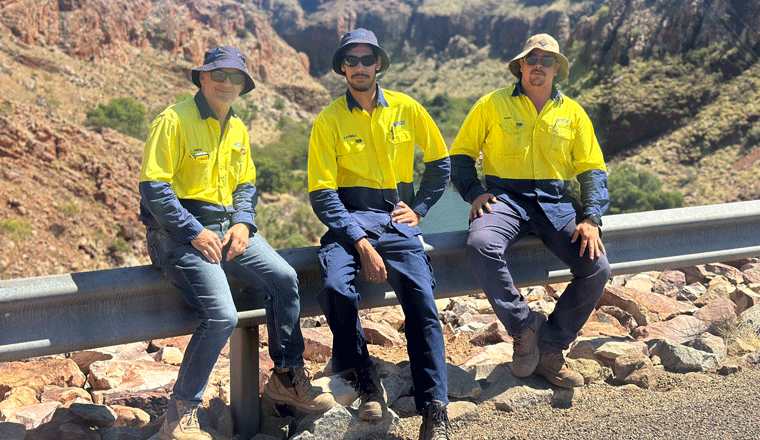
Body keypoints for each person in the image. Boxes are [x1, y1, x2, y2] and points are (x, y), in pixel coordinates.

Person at [139, 46, 334, 440]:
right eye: (220, 75)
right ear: (203, 78)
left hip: (229, 230)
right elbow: (153, 188)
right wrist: (193, 230)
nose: (228, 83)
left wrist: (244, 223)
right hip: (178, 236)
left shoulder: (238, 127)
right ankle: (181, 414)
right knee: (223, 317)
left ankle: (286, 378)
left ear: (243, 85)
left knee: (283, 278)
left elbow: (245, 184)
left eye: (236, 77)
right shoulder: (174, 120)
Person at [307, 29, 452, 440]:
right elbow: (322, 193)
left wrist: (420, 208)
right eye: (350, 61)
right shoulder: (330, 119)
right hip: (349, 220)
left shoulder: (407, 109)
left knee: (423, 302)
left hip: (395, 220)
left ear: (378, 65)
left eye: (366, 59)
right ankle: (362, 376)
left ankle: (435, 408)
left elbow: (440, 162)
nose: (358, 67)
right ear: (342, 69)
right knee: (335, 287)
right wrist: (360, 242)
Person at [449, 34, 611, 388]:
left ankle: (551, 349)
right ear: (520, 65)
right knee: (481, 244)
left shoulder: (573, 113)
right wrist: (474, 192)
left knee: (597, 267)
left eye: (547, 59)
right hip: (504, 200)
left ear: (557, 69)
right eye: (532, 57)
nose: (539, 64)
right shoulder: (490, 105)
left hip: (555, 203)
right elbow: (460, 157)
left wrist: (591, 217)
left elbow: (592, 170)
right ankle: (524, 327)